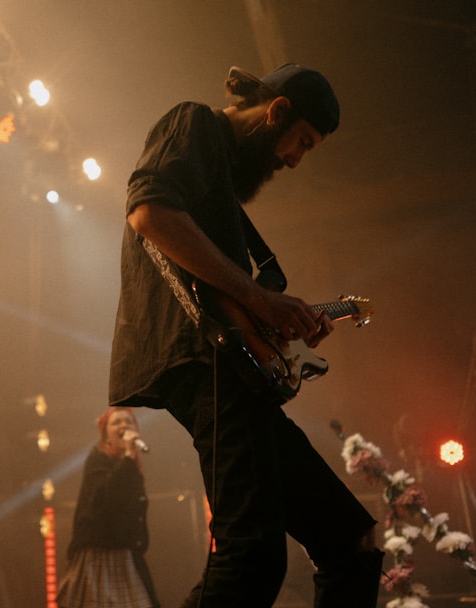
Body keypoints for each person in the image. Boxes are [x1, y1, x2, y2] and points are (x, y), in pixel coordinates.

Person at [109, 63, 384, 607]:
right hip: (201, 360)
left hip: (235, 368)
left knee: (351, 541)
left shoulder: (221, 188)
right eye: (300, 141)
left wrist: (278, 329)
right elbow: (149, 211)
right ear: (276, 112)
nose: (294, 159)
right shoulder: (193, 124)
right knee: (251, 555)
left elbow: (221, 290)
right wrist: (261, 299)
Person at [57, 406, 159, 608]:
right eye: (117, 422)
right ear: (106, 437)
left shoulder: (131, 469)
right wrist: (130, 455)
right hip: (98, 558)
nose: (124, 425)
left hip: (125, 556)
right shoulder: (97, 460)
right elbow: (105, 498)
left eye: (129, 421)